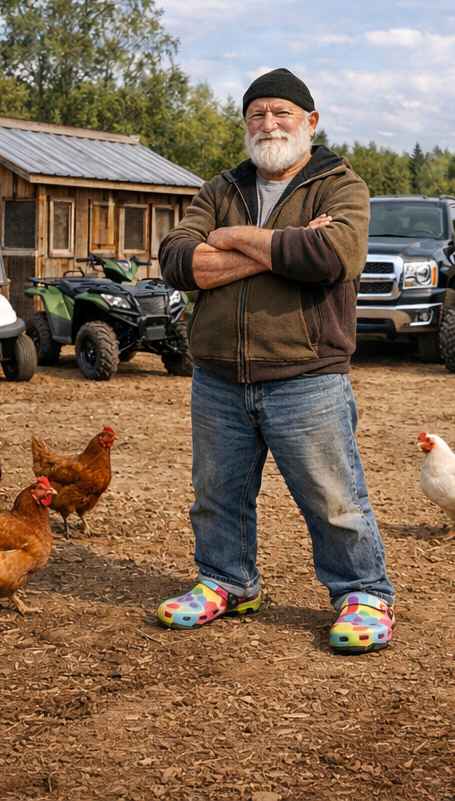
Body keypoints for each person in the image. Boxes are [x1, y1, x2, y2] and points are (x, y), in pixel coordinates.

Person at [156, 68, 396, 653]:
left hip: (307, 375)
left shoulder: (341, 185)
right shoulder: (220, 188)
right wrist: (274, 248)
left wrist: (229, 239)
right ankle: (227, 582)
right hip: (217, 375)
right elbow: (177, 262)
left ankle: (363, 594)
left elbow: (333, 253)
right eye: (256, 114)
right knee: (216, 493)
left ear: (310, 122)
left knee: (333, 499)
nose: (268, 124)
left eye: (281, 113)